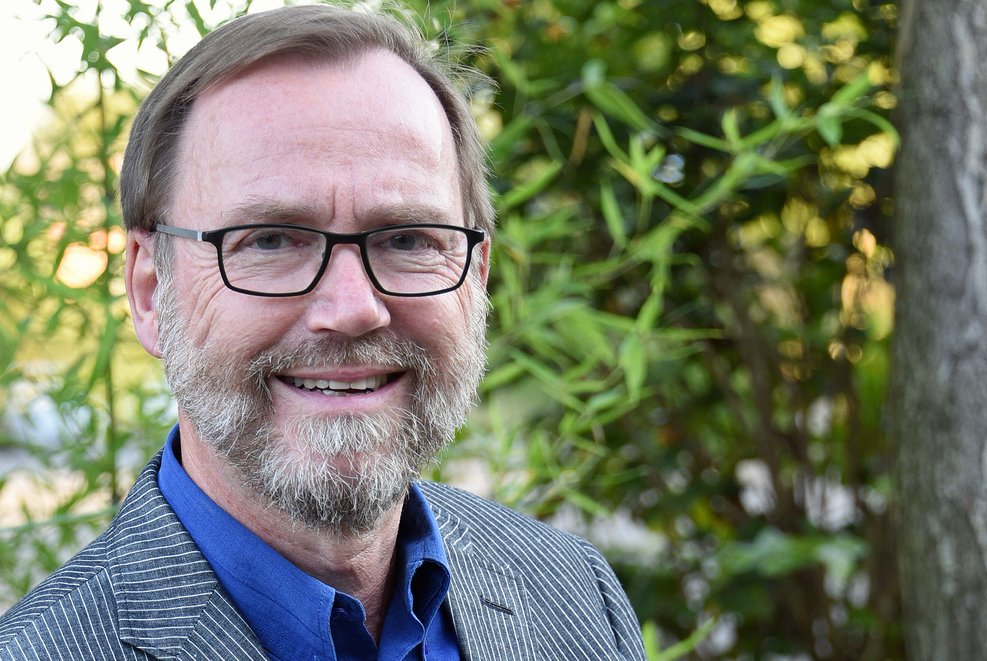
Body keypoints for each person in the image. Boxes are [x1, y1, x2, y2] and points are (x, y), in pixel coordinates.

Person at [0, 4, 644, 659]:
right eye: (271, 240)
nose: (353, 308)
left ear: (476, 276)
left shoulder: (574, 590)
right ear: (149, 288)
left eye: (407, 239)